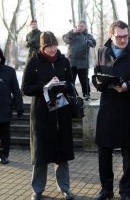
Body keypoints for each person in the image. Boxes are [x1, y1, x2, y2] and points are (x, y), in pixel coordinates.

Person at [92, 20, 130, 200]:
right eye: (119, 37)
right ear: (111, 35)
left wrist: (127, 85)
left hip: (128, 109)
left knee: (128, 155)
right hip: (107, 108)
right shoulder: (102, 51)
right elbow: (95, 75)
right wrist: (99, 82)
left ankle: (126, 192)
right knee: (104, 152)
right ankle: (106, 190)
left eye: (126, 36)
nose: (124, 40)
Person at [21, 31, 75, 200]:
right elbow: (25, 88)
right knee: (41, 156)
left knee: (62, 155)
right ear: (42, 47)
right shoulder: (34, 61)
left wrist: (65, 86)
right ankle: (37, 190)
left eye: (54, 46)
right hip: (42, 115)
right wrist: (45, 86)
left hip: (61, 112)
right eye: (48, 46)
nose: (52, 50)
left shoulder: (64, 61)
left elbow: (71, 83)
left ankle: (64, 188)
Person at [0, 48, 24, 164]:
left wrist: (19, 106)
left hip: (4, 108)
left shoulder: (9, 71)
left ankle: (4, 154)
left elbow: (16, 91)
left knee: (5, 134)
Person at [62, 19, 96, 100]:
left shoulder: (88, 36)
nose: (79, 27)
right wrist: (72, 32)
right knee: (70, 80)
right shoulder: (72, 34)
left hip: (83, 62)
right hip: (72, 62)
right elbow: (65, 39)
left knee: (84, 81)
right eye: (78, 26)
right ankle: (71, 95)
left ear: (85, 27)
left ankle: (86, 94)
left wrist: (90, 42)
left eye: (82, 26)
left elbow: (93, 43)